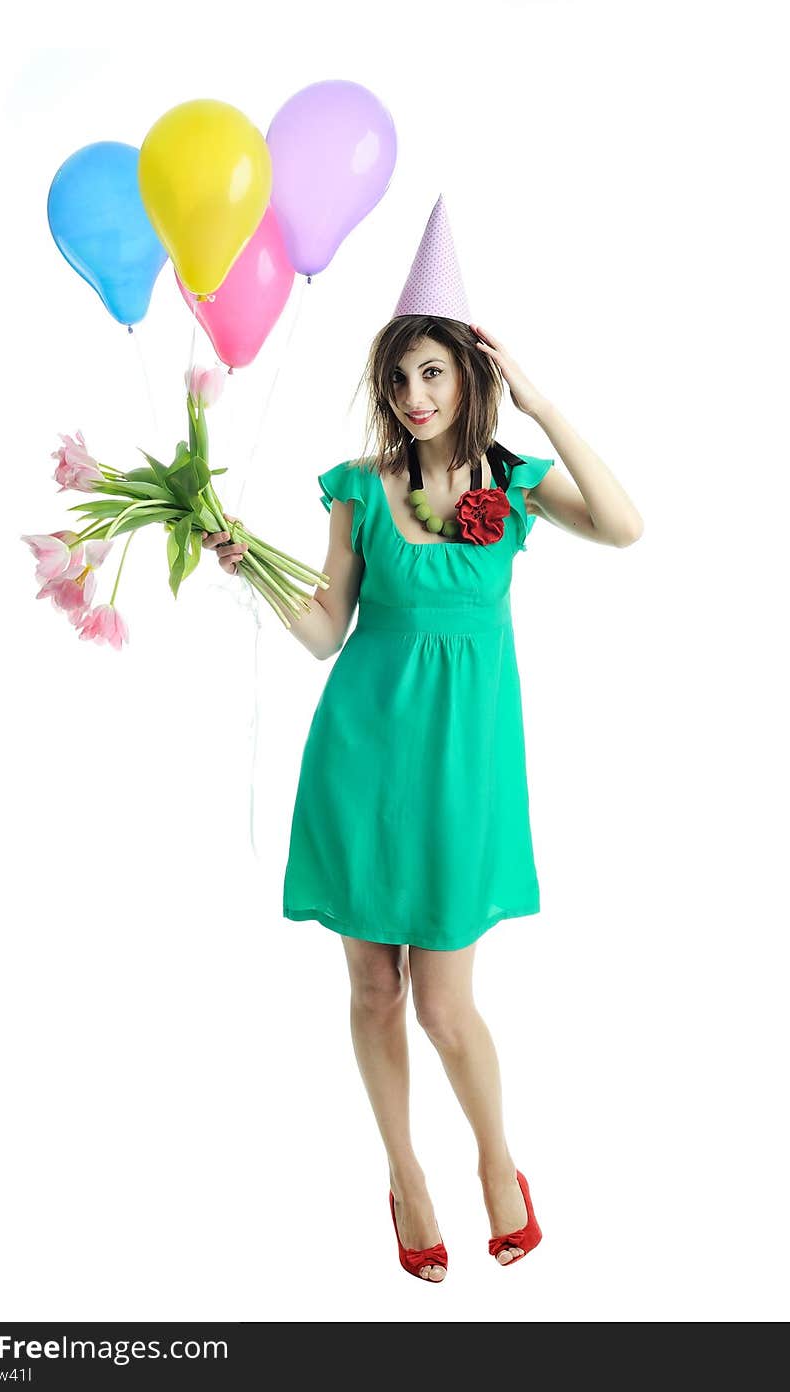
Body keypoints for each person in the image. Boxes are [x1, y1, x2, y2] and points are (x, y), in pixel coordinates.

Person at [203, 197, 644, 1281]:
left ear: (469, 375)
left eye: (433, 373)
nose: (412, 396)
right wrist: (249, 562)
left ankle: (499, 1163)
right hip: (361, 760)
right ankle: (406, 1174)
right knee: (370, 991)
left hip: (462, 775)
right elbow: (321, 634)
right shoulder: (360, 489)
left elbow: (627, 524)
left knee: (447, 1005)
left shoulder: (515, 484)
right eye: (399, 378)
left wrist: (536, 401)